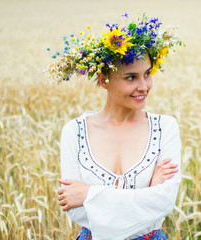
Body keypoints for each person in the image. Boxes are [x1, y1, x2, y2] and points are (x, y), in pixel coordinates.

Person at [48, 13, 183, 240]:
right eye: (131, 77)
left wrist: (89, 194)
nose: (144, 86)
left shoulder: (165, 128)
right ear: (104, 80)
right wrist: (146, 195)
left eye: (147, 74)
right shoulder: (74, 132)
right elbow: (76, 211)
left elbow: (164, 203)